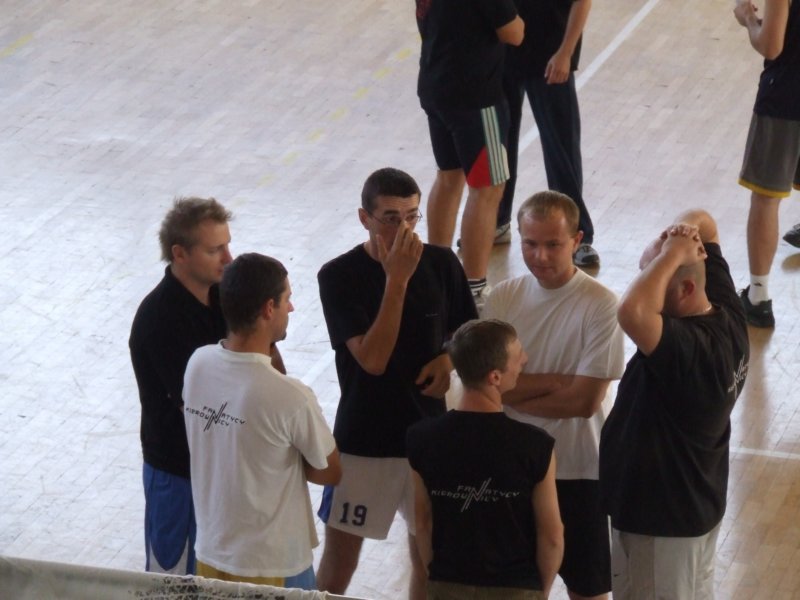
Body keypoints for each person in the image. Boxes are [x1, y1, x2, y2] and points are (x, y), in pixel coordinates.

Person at [314, 168, 478, 600]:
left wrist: (449, 358)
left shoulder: (442, 263)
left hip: (428, 439)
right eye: (390, 218)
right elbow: (373, 359)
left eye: (411, 216)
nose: (403, 229)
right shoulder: (338, 276)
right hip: (363, 442)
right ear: (364, 218)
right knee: (339, 563)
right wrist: (397, 281)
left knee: (429, 558)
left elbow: (468, 334)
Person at [599, 210, 750, 599]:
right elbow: (706, 221)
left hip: (662, 523)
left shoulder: (688, 350)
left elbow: (632, 311)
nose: (643, 283)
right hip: (691, 508)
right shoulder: (726, 311)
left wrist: (669, 254)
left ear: (684, 289)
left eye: (655, 278)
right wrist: (679, 236)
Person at [483, 190, 624, 600]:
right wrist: (560, 381)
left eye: (553, 244)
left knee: (588, 589)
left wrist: (511, 391)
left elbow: (583, 402)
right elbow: (487, 385)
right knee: (514, 589)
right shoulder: (502, 297)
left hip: (578, 470)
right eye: (530, 243)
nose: (540, 256)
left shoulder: (602, 305)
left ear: (577, 241)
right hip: (513, 467)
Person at [183, 253, 341, 589]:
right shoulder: (290, 396)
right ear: (269, 308)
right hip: (273, 564)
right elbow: (330, 471)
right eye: (287, 299)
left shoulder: (197, 364)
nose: (291, 308)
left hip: (210, 553)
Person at [407, 319, 564, 600]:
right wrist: (538, 590)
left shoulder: (421, 438)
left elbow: (423, 521)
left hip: (448, 582)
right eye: (518, 355)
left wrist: (438, 576)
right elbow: (551, 535)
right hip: (515, 586)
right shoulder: (534, 445)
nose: (525, 359)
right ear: (495, 377)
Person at [129, 197, 233, 574]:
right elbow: (199, 407)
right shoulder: (159, 319)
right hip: (177, 474)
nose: (229, 258)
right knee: (171, 584)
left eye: (227, 245)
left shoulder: (224, 297)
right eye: (215, 250)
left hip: (219, 468)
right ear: (180, 253)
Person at [415, 0, 524, 305]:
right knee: (488, 188)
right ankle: (474, 285)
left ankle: (437, 273)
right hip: (477, 98)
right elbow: (514, 33)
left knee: (448, 177)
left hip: (436, 84)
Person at [498, 0, 598, 267]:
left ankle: (578, 234)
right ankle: (497, 221)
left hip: (551, 56)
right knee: (500, 145)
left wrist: (566, 52)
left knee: (561, 150)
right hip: (502, 56)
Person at [734, 0, 799, 327]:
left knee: (766, 198)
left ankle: (758, 297)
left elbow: (772, 45)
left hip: (786, 98)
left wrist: (748, 18)